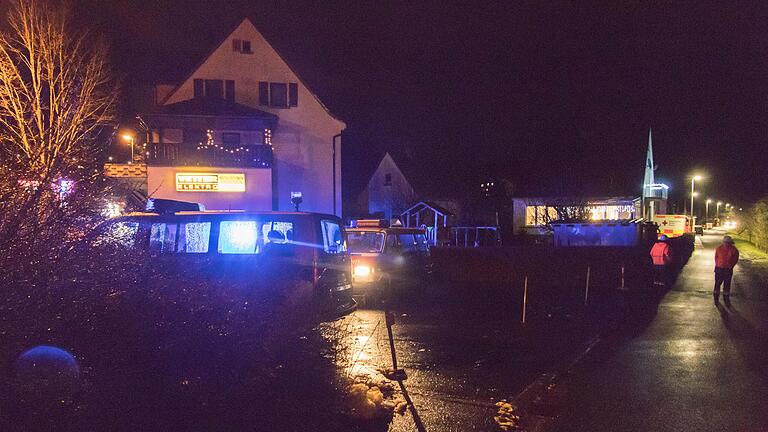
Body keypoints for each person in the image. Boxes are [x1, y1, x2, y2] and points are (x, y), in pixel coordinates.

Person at [714, 235, 739, 306]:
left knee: (726, 284)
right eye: (726, 242)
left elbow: (735, 259)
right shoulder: (719, 248)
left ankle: (725, 298)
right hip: (720, 268)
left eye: (728, 243)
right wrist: (719, 265)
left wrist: (730, 266)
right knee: (718, 284)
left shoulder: (733, 250)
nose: (726, 244)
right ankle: (716, 298)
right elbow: (716, 257)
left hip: (726, 269)